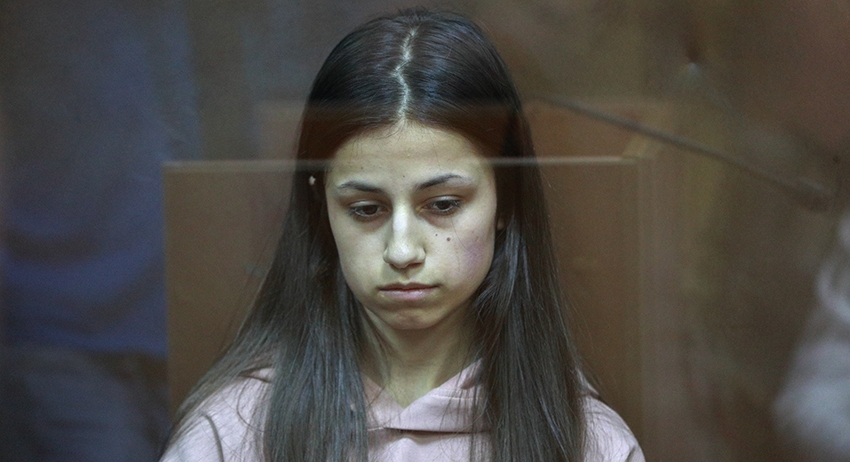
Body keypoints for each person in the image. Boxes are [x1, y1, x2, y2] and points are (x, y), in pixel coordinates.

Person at [161, 9, 643, 462]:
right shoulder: (234, 434)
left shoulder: (588, 445)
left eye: (443, 205)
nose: (403, 251)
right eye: (366, 210)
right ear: (321, 207)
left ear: (506, 199)